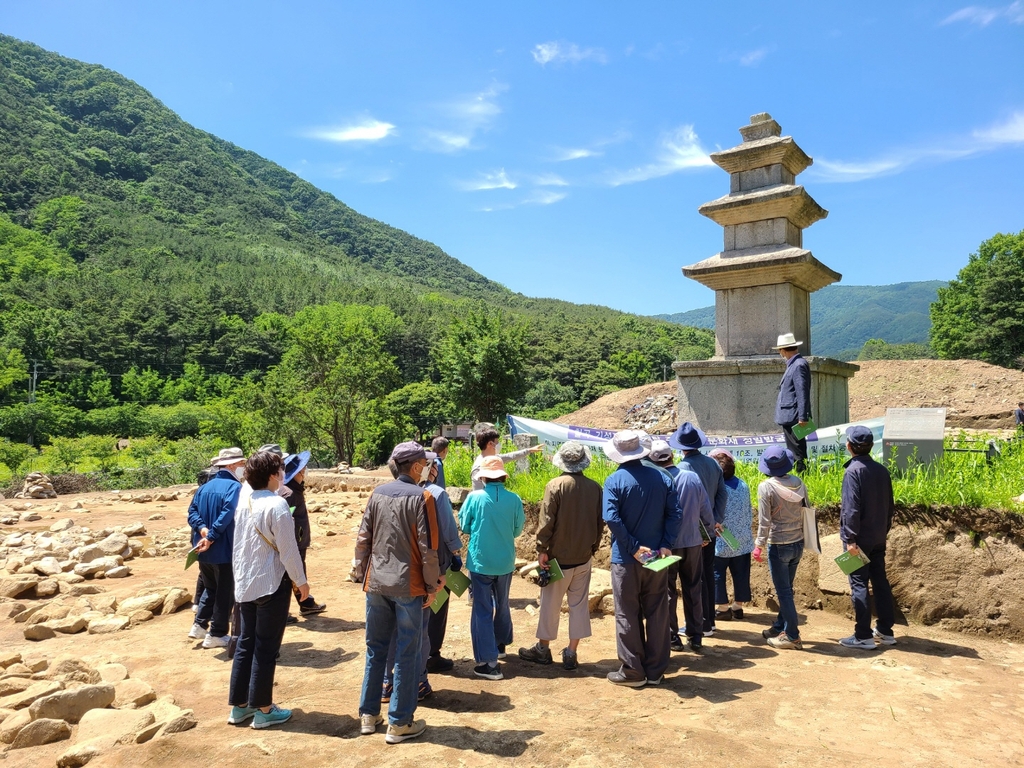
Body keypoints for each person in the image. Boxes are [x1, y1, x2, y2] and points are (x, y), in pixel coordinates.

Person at [353, 441, 442, 744]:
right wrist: (432, 586)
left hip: (375, 582)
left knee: (376, 648)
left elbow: (363, 538)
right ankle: (400, 722)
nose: (429, 468)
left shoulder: (377, 493)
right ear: (416, 467)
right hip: (409, 585)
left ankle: (368, 715)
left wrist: (359, 572)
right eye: (425, 463)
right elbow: (428, 549)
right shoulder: (424, 496)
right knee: (407, 652)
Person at [227, 450, 310, 729]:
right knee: (266, 648)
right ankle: (263, 709)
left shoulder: (244, 502)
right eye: (281, 470)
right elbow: (288, 550)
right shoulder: (276, 505)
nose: (283, 474)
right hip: (272, 583)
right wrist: (301, 582)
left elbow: (239, 546)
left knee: (245, 644)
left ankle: (240, 708)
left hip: (246, 583)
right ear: (274, 475)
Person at [602, 430, 682, 687]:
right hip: (658, 559)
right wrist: (666, 544)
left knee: (627, 612)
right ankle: (656, 671)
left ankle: (633, 671)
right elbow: (676, 513)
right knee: (658, 611)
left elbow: (612, 518)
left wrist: (634, 547)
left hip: (625, 559)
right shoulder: (663, 478)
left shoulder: (614, 481)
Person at [518, 441, 604, 670]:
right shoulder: (595, 488)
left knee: (550, 604)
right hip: (583, 557)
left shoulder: (554, 485)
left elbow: (546, 522)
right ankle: (571, 652)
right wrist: (593, 549)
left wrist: (542, 550)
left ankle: (543, 648)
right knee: (578, 605)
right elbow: (599, 523)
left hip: (557, 559)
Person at [384, 456, 460, 695]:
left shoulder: (382, 493)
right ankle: (419, 679)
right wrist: (446, 566)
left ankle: (386, 683)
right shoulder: (433, 494)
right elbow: (437, 539)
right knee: (422, 628)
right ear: (421, 468)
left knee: (390, 631)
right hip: (423, 573)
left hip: (387, 574)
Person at [459, 455, 525, 680]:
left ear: (483, 477)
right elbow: (517, 531)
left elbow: (465, 525)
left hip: (480, 561)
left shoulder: (475, 497)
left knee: (482, 609)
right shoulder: (515, 498)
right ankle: (501, 645)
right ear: (503, 477)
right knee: (503, 603)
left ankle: (489, 663)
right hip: (505, 561)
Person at [838, 425, 897, 650]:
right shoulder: (882, 470)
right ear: (871, 446)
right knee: (880, 581)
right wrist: (884, 530)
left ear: (849, 446)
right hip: (878, 536)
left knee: (859, 584)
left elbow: (851, 509)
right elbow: (890, 506)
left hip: (859, 538)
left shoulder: (853, 472)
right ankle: (885, 630)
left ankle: (863, 635)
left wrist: (850, 539)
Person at [671, 423, 727, 638]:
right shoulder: (713, 464)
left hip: (692, 532)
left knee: (693, 580)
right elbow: (722, 494)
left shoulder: (682, 469)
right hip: (710, 527)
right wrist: (716, 520)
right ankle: (709, 621)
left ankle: (699, 624)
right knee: (707, 574)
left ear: (681, 447)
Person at [188, 447, 245, 649]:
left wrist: (202, 529)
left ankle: (199, 624)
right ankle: (217, 634)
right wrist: (211, 535)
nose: (243, 468)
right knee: (225, 591)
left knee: (210, 588)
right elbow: (227, 514)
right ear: (230, 465)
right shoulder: (234, 487)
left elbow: (192, 512)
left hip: (203, 548)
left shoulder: (204, 487)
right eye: (240, 464)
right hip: (224, 548)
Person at [658, 442, 713, 654]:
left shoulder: (657, 480)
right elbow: (705, 508)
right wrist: (706, 532)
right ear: (672, 456)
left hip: (666, 546)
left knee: (668, 591)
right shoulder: (691, 477)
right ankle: (696, 636)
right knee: (693, 588)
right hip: (692, 542)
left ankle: (672, 637)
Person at [753, 445, 809, 650]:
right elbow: (807, 511)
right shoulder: (799, 483)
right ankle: (779, 626)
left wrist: (758, 545)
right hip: (798, 542)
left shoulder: (766, 487)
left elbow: (764, 521)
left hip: (778, 544)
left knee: (784, 592)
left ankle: (793, 635)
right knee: (787, 589)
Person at [709, 449, 755, 622]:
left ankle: (722, 608)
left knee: (717, 572)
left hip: (722, 540)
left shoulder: (717, 489)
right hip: (743, 539)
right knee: (742, 573)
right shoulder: (743, 484)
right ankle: (738, 607)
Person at [283, 451, 327, 617]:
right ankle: (300, 605)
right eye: (303, 469)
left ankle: (306, 603)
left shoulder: (293, 490)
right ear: (297, 473)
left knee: (295, 572)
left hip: (297, 539)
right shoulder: (290, 494)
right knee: (294, 572)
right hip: (295, 540)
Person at [773, 332, 812, 473]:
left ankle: (802, 474)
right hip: (792, 414)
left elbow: (802, 392)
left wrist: (802, 416)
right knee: (795, 447)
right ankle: (801, 473)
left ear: (782, 350)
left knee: (797, 449)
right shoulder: (795, 364)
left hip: (794, 415)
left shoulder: (798, 365)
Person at [470, 424, 542, 490]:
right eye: (497, 442)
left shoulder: (494, 459)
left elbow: (511, 456)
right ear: (490, 444)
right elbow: (477, 494)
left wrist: (529, 450)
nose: (499, 444)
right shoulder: (478, 467)